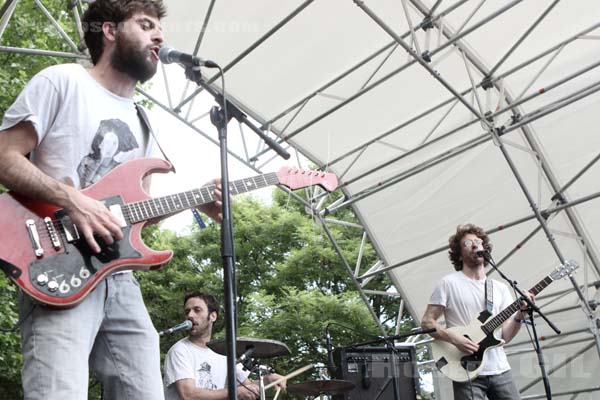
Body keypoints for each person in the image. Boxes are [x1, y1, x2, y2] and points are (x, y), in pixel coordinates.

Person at [0, 1, 223, 398]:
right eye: (146, 25)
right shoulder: (62, 81)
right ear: (109, 30)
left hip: (117, 277)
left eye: (160, 29)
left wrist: (194, 200)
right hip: (56, 262)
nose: (159, 37)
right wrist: (73, 200)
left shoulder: (143, 121)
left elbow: (135, 218)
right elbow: (4, 157)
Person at [421, 224, 535, 400]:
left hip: (499, 369)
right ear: (459, 254)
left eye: (478, 242)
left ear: (485, 248)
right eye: (468, 243)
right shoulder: (448, 283)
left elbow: (505, 336)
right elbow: (427, 322)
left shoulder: (500, 288)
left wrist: (521, 314)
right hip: (465, 369)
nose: (475, 245)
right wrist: (456, 340)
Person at [163, 291, 287, 400]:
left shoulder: (222, 351)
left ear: (213, 316)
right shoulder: (180, 350)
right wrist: (236, 392)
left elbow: (247, 387)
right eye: (187, 311)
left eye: (197, 310)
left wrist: (267, 380)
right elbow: (189, 395)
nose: (190, 315)